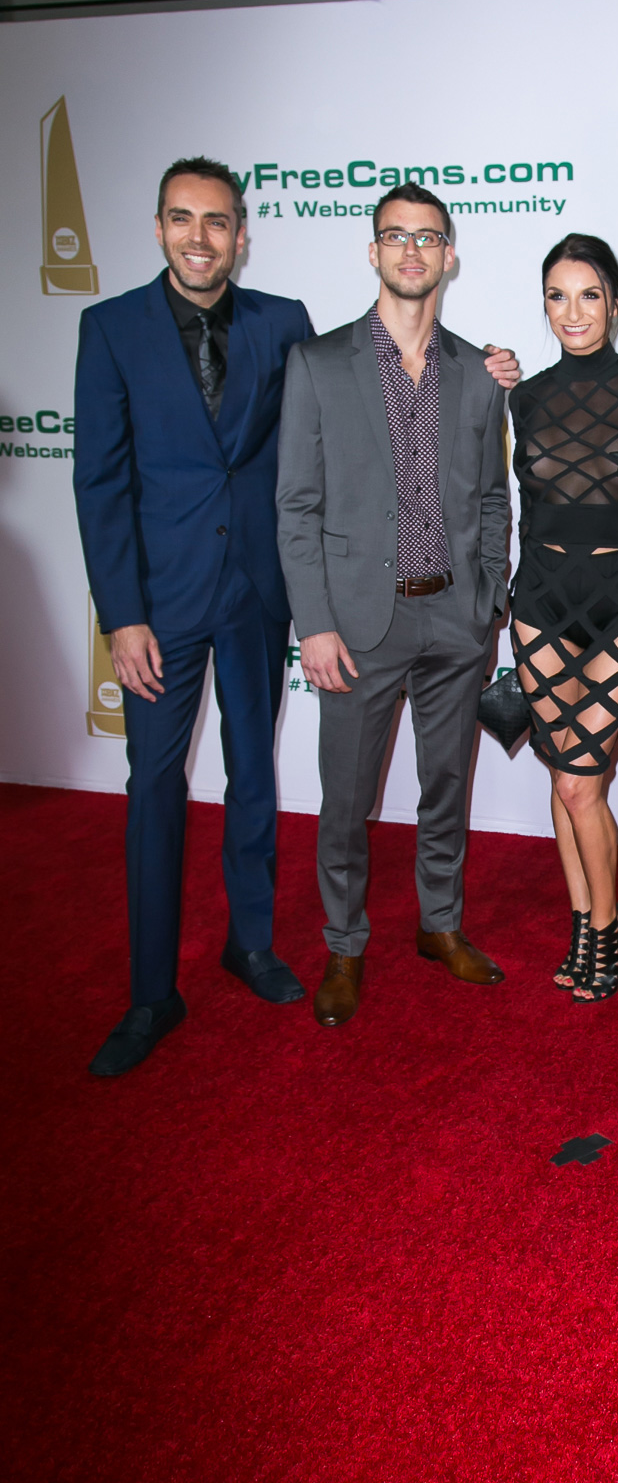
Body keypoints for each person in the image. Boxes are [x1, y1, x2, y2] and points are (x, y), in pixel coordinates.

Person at [74, 157, 312, 1076]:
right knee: (153, 789)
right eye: (182, 218)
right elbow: (99, 482)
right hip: (159, 606)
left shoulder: (282, 323)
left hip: (255, 592)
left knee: (253, 774)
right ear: (160, 228)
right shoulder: (111, 328)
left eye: (216, 222)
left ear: (241, 236)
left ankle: (249, 943)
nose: (199, 237)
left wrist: (476, 367)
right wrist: (122, 615)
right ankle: (151, 993)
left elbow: (337, 411)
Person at [275, 181, 513, 1027]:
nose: (412, 250)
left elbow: (493, 499)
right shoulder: (317, 364)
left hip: (453, 618)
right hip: (356, 626)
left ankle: (438, 924)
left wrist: (487, 600)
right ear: (372, 251)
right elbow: (296, 506)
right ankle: (345, 943)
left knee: (445, 786)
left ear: (449, 255)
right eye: (396, 236)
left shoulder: (478, 373)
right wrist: (315, 625)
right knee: (346, 800)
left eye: (428, 237)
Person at [509, 234, 618, 1002]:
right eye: (557, 295)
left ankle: (609, 930)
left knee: (580, 781)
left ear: (614, 302)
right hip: (541, 597)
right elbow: (522, 507)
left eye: (588, 295)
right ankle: (585, 920)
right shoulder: (525, 396)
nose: (571, 312)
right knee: (568, 775)